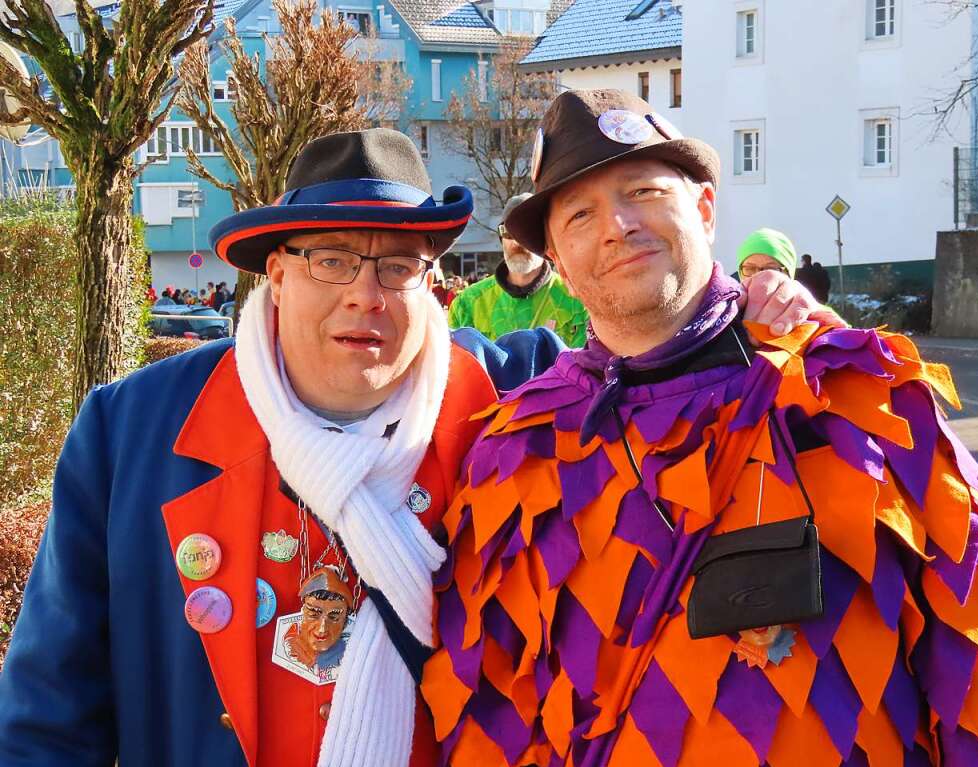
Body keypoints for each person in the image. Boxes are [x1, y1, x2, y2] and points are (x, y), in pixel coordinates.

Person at [0, 125, 825, 767]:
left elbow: (662, 361)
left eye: (398, 265)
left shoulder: (517, 401)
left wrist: (749, 309)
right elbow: (47, 719)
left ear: (430, 280)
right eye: (331, 259)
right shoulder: (130, 434)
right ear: (275, 274)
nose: (366, 293)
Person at [423, 89, 978, 766]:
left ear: (705, 209)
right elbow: (490, 715)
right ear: (559, 261)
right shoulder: (514, 453)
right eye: (580, 215)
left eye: (643, 190)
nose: (617, 225)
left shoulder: (860, 397)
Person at [448, 193, 588, 346]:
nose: (516, 242)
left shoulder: (577, 301)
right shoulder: (467, 304)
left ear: (546, 240)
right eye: (508, 233)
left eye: (526, 233)